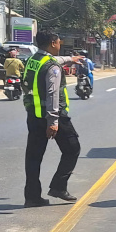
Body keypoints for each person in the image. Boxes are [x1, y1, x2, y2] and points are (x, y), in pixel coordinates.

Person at [22, 31, 85, 208]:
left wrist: (71, 58)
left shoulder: (33, 60)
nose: (59, 44)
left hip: (33, 115)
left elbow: (54, 61)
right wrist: (53, 122)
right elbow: (52, 94)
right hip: (53, 116)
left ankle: (32, 197)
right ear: (52, 43)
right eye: (58, 42)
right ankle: (58, 186)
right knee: (72, 148)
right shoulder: (52, 68)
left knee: (33, 157)